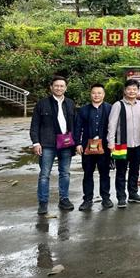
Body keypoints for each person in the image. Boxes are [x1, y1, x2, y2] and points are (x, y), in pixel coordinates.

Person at [30, 75, 77, 215]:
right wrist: (36, 142)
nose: (59, 88)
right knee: (44, 174)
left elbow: (74, 124)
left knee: (65, 173)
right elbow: (35, 125)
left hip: (66, 144)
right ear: (51, 87)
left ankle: (64, 199)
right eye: (56, 85)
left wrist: (75, 142)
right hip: (47, 144)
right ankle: (43, 203)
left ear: (66, 88)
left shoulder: (70, 103)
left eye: (62, 86)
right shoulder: (42, 104)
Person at [107, 78, 140, 208]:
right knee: (121, 171)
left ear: (138, 91)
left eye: (134, 89)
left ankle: (133, 194)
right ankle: (121, 197)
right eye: (129, 89)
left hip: (137, 145)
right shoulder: (118, 105)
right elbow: (112, 125)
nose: (132, 91)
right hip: (121, 144)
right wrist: (111, 142)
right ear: (125, 90)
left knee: (135, 171)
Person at [74, 83, 112, 211]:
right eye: (94, 93)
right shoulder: (83, 110)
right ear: (90, 94)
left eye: (99, 93)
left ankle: (106, 198)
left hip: (105, 147)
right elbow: (78, 127)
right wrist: (78, 143)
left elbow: (114, 128)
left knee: (105, 173)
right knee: (88, 173)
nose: (96, 95)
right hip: (87, 147)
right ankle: (87, 199)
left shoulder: (110, 108)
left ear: (103, 94)